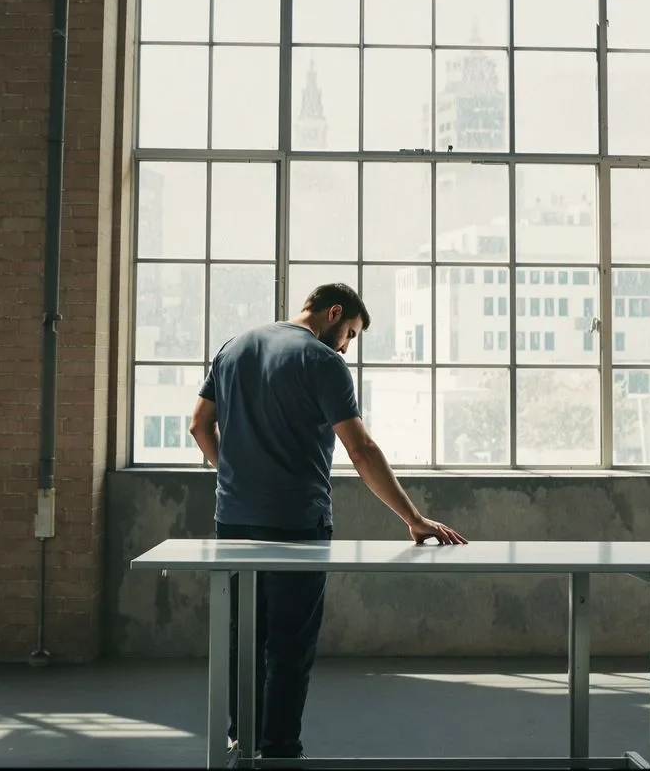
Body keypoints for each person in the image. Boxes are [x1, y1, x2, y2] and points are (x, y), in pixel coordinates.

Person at [189, 282, 467, 760]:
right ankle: (279, 750)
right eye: (351, 333)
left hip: (233, 520)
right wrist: (414, 518)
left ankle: (242, 739)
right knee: (290, 645)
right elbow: (361, 450)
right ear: (334, 313)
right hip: (299, 525)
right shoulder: (323, 362)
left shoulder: (233, 348)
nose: (347, 345)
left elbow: (198, 424)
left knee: (244, 638)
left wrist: (234, 474)